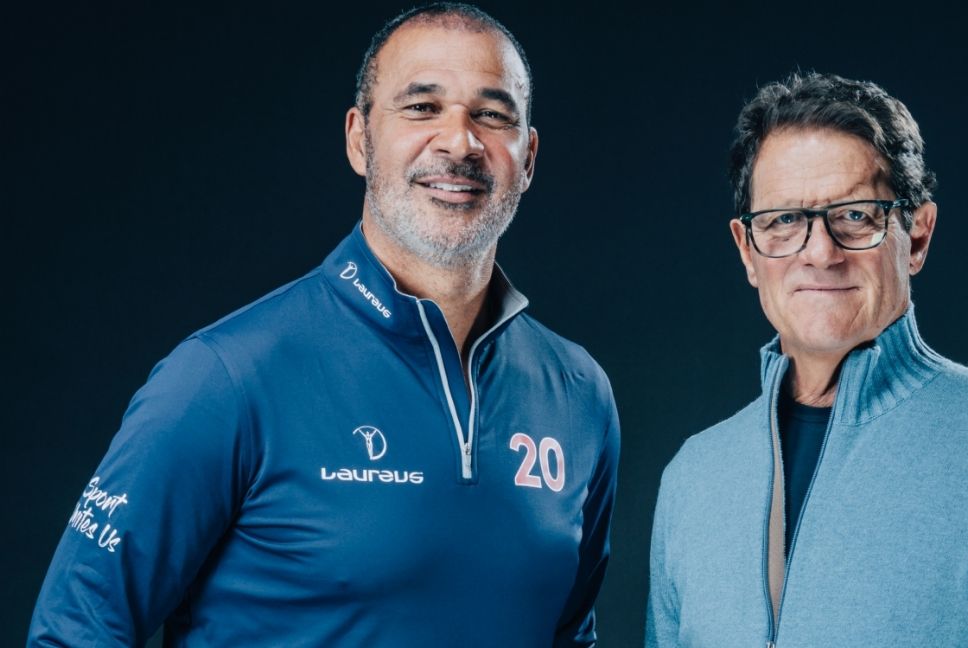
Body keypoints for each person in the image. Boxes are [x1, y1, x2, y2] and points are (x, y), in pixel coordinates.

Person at [29, 4, 619, 646]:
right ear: (359, 140)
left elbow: (570, 635)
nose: (459, 142)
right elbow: (74, 632)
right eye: (422, 107)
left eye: (493, 115)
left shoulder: (578, 394)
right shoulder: (225, 378)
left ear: (527, 158)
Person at [646, 72, 968, 647]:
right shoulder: (692, 479)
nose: (820, 253)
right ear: (748, 250)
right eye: (784, 220)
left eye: (856, 215)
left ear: (916, 236)